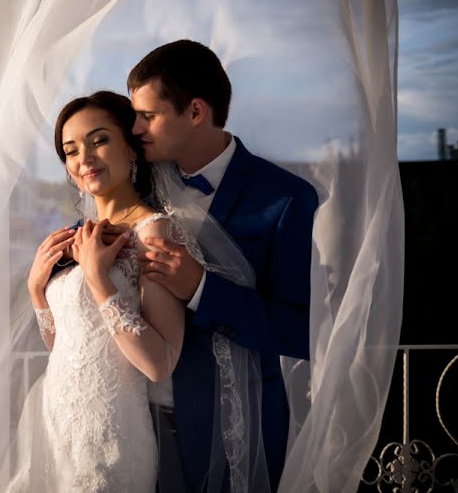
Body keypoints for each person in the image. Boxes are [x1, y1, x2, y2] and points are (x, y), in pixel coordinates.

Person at [129, 40, 319, 492]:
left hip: (242, 430)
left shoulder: (288, 199)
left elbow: (301, 331)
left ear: (196, 111)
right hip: (139, 427)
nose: (133, 128)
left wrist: (201, 289)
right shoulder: (136, 189)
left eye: (147, 116)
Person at [5, 91, 185, 492]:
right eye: (70, 151)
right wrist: (38, 291)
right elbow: (70, 345)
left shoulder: (153, 232)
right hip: (57, 425)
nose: (83, 158)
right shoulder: (76, 236)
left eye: (99, 140)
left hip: (111, 437)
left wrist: (99, 281)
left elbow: (159, 364)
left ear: (132, 148)